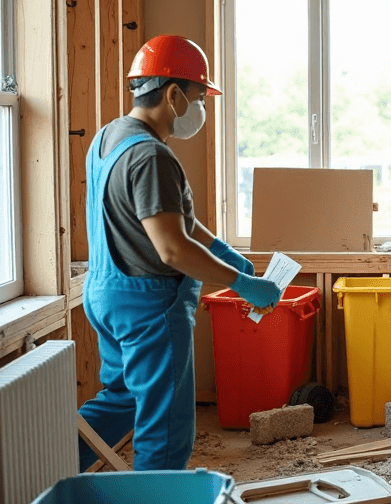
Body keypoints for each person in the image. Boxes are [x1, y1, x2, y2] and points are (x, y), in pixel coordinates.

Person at [77, 35, 283, 471]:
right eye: (198, 97)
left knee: (121, 402)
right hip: (148, 307)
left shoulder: (110, 137)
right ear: (173, 95)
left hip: (106, 294)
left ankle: (41, 473)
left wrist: (222, 250)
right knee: (166, 429)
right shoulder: (152, 156)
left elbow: (171, 221)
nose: (200, 108)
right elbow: (171, 248)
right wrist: (240, 282)